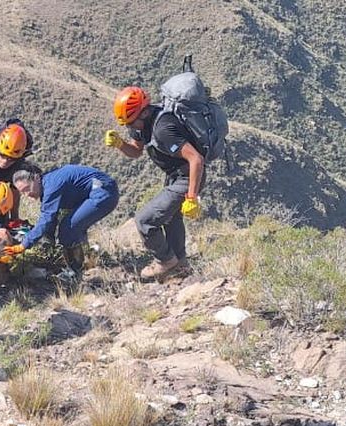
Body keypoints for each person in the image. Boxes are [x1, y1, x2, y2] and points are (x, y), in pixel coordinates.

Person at [105, 86, 204, 280]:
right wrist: (120, 144)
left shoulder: (163, 128)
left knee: (145, 221)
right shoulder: (142, 124)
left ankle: (165, 261)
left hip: (187, 177)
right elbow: (136, 151)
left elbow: (196, 159)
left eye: (132, 123)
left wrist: (191, 197)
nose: (130, 128)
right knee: (171, 217)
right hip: (175, 177)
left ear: (144, 112)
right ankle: (180, 265)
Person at [10, 166, 119, 284]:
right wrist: (48, 240)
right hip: (100, 191)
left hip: (104, 193)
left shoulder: (52, 186)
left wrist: (24, 244)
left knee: (68, 228)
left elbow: (47, 218)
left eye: (27, 189)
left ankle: (75, 273)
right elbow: (51, 219)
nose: (27, 195)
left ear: (36, 178)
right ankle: (88, 260)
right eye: (22, 192)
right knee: (72, 225)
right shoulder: (48, 184)